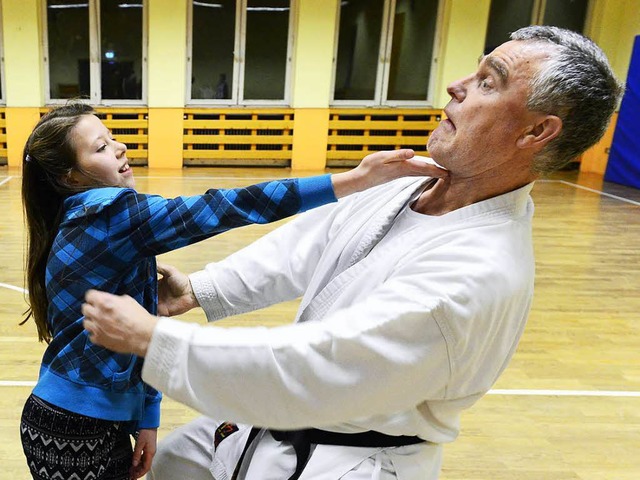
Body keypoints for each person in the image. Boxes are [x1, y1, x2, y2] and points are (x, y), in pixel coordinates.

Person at [82, 26, 623, 480]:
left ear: (537, 131)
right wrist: (203, 289)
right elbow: (311, 243)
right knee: (177, 462)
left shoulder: (477, 273)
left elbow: (316, 365)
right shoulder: (413, 184)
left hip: (352, 456)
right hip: (268, 428)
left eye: (487, 83)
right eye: (472, 71)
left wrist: (155, 341)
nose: (457, 86)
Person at [19, 102, 444, 480]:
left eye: (112, 138)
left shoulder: (92, 220)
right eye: (100, 148)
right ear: (70, 175)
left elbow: (145, 329)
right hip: (74, 426)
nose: (119, 148)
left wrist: (146, 418)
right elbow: (226, 207)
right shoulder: (111, 215)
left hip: (84, 417)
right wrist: (350, 181)